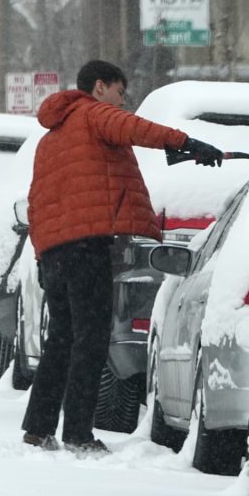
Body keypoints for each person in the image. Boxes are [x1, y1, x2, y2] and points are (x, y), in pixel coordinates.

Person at [21, 60, 224, 453]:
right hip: (87, 247)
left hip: (54, 253)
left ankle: (39, 426)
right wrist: (186, 142)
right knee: (92, 340)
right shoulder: (94, 115)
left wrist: (41, 253)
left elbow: (36, 201)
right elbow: (136, 129)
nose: (122, 101)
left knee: (61, 339)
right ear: (100, 87)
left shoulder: (51, 139)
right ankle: (78, 433)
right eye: (119, 92)